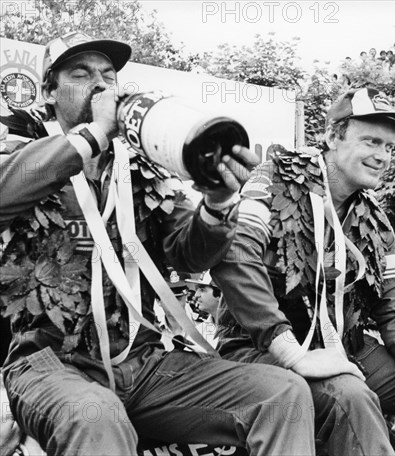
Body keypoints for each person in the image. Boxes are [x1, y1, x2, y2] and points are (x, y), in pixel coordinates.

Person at [0, 32, 315, 456]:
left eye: (108, 75)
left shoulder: (142, 171)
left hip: (143, 365)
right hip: (51, 364)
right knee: (96, 415)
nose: (100, 84)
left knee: (281, 394)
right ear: (49, 91)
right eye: (81, 73)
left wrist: (219, 202)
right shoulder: (22, 150)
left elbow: (189, 255)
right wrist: (94, 132)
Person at [212, 88, 395, 456]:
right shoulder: (273, 179)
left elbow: (393, 304)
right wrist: (294, 354)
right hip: (260, 347)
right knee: (348, 395)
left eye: (390, 147)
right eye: (371, 141)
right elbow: (236, 257)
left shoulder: (374, 217)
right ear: (333, 137)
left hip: (344, 347)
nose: (383, 157)